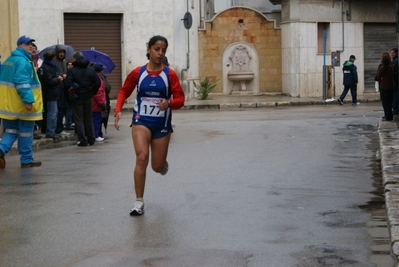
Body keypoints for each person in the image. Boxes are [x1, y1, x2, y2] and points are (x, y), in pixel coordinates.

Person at [114, 35, 185, 216]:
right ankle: (139, 202)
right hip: (141, 121)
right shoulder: (138, 73)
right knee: (141, 157)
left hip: (161, 124)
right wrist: (118, 109)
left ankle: (162, 166)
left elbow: (180, 99)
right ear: (148, 49)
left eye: (163, 50)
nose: (160, 53)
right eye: (156, 49)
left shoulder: (170, 74)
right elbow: (124, 90)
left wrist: (168, 103)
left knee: (156, 167)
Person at [0, 35, 43, 168]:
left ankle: (0, 150)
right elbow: (22, 82)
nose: (31, 46)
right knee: (26, 132)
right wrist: (28, 100)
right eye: (27, 44)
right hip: (22, 105)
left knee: (11, 131)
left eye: (32, 44)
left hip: (9, 105)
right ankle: (26, 160)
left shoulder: (9, 60)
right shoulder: (23, 62)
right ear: (20, 46)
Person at [65, 51, 101, 146]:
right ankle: (91, 138)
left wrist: (73, 91)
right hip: (88, 96)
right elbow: (97, 82)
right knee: (88, 117)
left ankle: (83, 140)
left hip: (77, 97)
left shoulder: (72, 70)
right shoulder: (90, 69)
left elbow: (67, 83)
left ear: (75, 59)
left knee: (78, 119)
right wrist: (92, 92)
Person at [38, 50, 64, 140]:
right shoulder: (46, 67)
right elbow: (49, 81)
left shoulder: (50, 66)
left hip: (52, 92)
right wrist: (59, 79)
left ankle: (50, 130)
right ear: (53, 58)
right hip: (50, 93)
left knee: (53, 113)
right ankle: (50, 131)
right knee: (52, 113)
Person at [54, 45, 72, 135]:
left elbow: (66, 72)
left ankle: (60, 127)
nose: (62, 54)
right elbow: (53, 73)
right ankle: (58, 128)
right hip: (57, 88)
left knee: (63, 109)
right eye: (60, 52)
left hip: (64, 88)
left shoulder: (63, 62)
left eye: (63, 52)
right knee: (58, 109)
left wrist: (65, 74)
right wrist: (60, 75)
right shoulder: (54, 62)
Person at [376, 51, 395, 121]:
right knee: (389, 102)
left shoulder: (382, 67)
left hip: (384, 87)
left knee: (385, 103)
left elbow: (378, 77)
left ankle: (387, 117)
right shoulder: (391, 66)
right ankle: (390, 116)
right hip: (391, 87)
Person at [92, 63, 107, 142]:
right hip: (96, 105)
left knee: (93, 120)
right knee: (96, 120)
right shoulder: (98, 79)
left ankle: (94, 135)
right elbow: (99, 92)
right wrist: (102, 103)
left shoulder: (94, 77)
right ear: (101, 70)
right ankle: (96, 135)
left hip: (93, 103)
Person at [390, 48, 399, 115]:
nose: (391, 54)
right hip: (395, 82)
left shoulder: (395, 62)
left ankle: (395, 109)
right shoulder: (393, 61)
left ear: (396, 53)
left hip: (396, 82)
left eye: (393, 53)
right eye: (391, 53)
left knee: (395, 96)